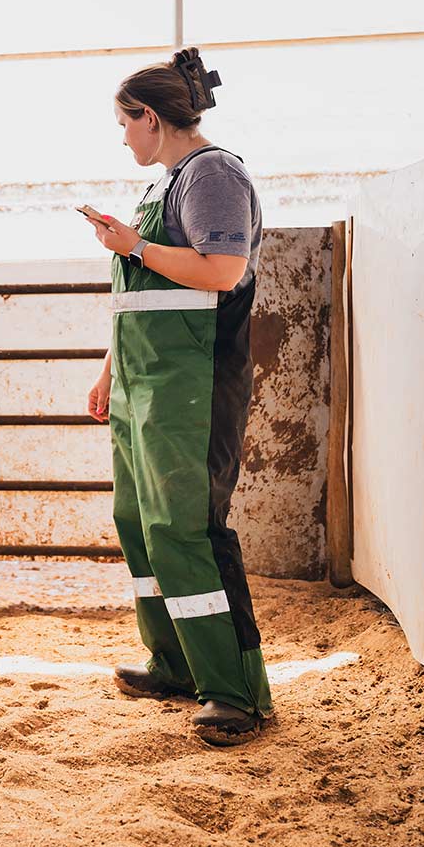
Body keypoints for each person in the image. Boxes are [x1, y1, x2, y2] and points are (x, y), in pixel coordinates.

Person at [82, 48, 273, 746]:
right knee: (140, 521)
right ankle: (175, 662)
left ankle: (235, 692)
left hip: (194, 383)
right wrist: (111, 372)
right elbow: (148, 296)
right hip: (146, 384)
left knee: (189, 528)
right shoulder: (165, 185)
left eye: (124, 124)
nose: (123, 137)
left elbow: (221, 270)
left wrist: (134, 246)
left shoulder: (214, 174)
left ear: (152, 118)